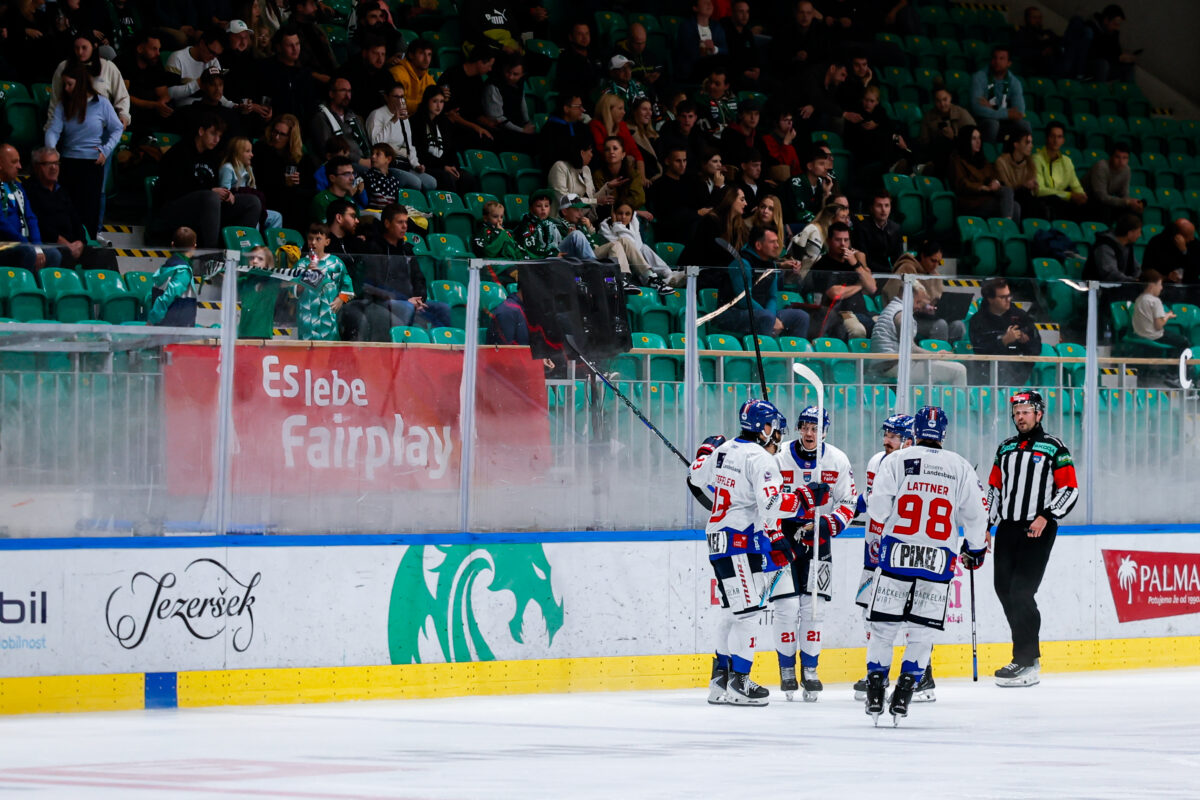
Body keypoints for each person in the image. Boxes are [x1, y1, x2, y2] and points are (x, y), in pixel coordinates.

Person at [688, 398, 829, 705]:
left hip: (718, 539)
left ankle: (719, 681)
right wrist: (805, 497)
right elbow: (771, 505)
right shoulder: (761, 460)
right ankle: (741, 682)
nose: (777, 434)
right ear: (764, 428)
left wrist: (703, 452)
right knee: (749, 614)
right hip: (739, 541)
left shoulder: (723, 450)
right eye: (775, 428)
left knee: (730, 611)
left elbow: (696, 476)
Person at [863, 406, 988, 724]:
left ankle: (876, 691)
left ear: (914, 431)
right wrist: (975, 549)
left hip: (896, 557)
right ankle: (904, 695)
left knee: (883, 630)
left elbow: (877, 511)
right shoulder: (960, 466)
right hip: (938, 561)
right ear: (943, 434)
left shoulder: (894, 461)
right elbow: (975, 515)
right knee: (921, 634)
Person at [987, 390, 1079, 687]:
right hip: (1007, 528)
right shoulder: (1005, 448)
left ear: (1039, 413)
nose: (1020, 417)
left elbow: (1069, 489)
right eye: (1016, 413)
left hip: (1037, 527)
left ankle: (1025, 659)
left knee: (1022, 592)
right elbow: (994, 491)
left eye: (1026, 411)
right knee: (1003, 590)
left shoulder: (1054, 447)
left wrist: (1047, 515)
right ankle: (1027, 655)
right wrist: (984, 528)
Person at [771, 406, 858, 701]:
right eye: (805, 427)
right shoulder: (777, 456)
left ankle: (810, 669)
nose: (809, 433)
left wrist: (828, 523)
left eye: (815, 428)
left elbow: (849, 501)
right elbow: (765, 498)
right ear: (798, 428)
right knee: (785, 607)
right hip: (781, 538)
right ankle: (786, 669)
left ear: (825, 431)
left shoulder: (837, 459)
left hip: (819, 539)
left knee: (813, 609)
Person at [851, 415, 923, 702]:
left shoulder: (919, 466)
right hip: (874, 550)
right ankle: (876, 673)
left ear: (909, 439)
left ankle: (921, 676)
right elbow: (870, 502)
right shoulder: (876, 461)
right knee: (870, 612)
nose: (886, 440)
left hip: (903, 553)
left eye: (894, 435)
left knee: (910, 616)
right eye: (886, 434)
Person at [157, 114, 261, 248]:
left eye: (219, 136)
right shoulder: (179, 152)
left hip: (208, 206)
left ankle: (238, 250)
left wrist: (226, 194)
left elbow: (215, 186)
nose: (216, 140)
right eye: (213, 134)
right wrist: (210, 191)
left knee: (252, 202)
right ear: (201, 131)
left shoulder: (212, 157)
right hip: (175, 206)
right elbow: (173, 188)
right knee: (210, 197)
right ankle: (211, 253)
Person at [43, 63, 123, 238]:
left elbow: (117, 128)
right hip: (68, 161)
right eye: (65, 84)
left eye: (70, 84)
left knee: (89, 211)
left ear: (80, 83)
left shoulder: (102, 103)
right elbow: (53, 130)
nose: (66, 88)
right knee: (67, 209)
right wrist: (52, 151)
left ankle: (88, 249)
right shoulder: (64, 105)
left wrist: (106, 150)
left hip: (92, 163)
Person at [359, 203, 451, 336]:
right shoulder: (374, 249)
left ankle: (444, 352)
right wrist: (405, 300)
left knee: (443, 309)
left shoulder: (407, 249)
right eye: (400, 222)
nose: (405, 226)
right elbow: (375, 284)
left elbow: (419, 278)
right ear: (387, 223)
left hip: (410, 301)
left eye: (406, 222)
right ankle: (403, 351)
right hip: (383, 302)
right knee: (407, 307)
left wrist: (419, 300)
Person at [717, 225, 810, 337]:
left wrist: (772, 316)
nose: (777, 246)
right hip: (732, 314)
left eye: (777, 241)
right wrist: (770, 318)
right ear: (758, 245)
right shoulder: (741, 264)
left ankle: (796, 354)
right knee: (766, 318)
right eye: (772, 242)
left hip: (762, 314)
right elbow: (743, 300)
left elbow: (772, 297)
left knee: (801, 317)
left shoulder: (771, 264)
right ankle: (765, 353)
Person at [870, 282, 968, 386]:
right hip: (893, 367)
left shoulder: (891, 309)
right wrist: (936, 355)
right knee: (959, 370)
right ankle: (960, 402)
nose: (919, 307)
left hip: (885, 365)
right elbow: (910, 349)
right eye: (918, 302)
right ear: (906, 296)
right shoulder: (902, 315)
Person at [881, 239, 965, 342]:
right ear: (922, 256)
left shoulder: (935, 276)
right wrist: (922, 306)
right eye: (933, 260)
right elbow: (895, 296)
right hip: (909, 318)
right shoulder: (907, 268)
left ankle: (951, 355)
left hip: (932, 317)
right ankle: (937, 357)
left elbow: (938, 298)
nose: (936, 266)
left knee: (958, 325)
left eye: (939, 262)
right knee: (940, 325)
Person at [0, 143, 63, 271]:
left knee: (53, 254)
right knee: (27, 251)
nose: (20, 166)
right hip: (3, 244)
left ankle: (42, 290)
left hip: (22, 243)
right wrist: (26, 243)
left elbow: (31, 218)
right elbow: (2, 223)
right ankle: (21, 288)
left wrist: (37, 246)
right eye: (14, 162)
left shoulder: (18, 188)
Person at [968, 277, 1042, 386]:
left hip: (1019, 370)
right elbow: (980, 350)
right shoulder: (978, 320)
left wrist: (1026, 341)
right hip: (988, 372)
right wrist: (1003, 341)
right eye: (1003, 297)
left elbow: (1036, 346)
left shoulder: (1020, 316)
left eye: (1009, 296)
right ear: (990, 299)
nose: (1008, 300)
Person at [810, 221, 877, 340]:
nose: (843, 244)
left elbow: (872, 288)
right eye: (838, 240)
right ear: (829, 241)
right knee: (858, 330)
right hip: (840, 314)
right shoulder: (822, 265)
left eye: (846, 240)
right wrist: (860, 285)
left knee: (887, 325)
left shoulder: (853, 262)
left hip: (863, 312)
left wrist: (856, 264)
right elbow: (835, 293)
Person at [366, 84, 438, 192]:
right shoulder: (377, 114)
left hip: (404, 163)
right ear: (386, 97)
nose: (400, 100)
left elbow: (409, 145)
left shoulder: (403, 118)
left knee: (431, 182)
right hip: (388, 164)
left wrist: (416, 164)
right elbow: (375, 142)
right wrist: (393, 120)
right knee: (415, 183)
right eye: (396, 97)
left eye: (402, 97)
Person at [599, 202, 675, 295]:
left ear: (631, 216)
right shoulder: (605, 226)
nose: (623, 217)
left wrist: (618, 226)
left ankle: (662, 276)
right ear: (613, 214)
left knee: (644, 248)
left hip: (634, 264)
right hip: (613, 264)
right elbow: (622, 244)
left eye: (627, 214)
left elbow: (635, 246)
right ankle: (650, 279)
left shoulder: (634, 224)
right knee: (624, 241)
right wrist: (617, 225)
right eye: (620, 213)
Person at [296, 222, 354, 341]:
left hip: (329, 318)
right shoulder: (301, 264)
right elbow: (293, 291)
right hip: (307, 318)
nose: (313, 242)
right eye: (310, 239)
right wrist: (306, 274)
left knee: (328, 354)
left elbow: (348, 287)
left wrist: (341, 299)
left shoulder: (336, 263)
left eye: (318, 239)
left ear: (327, 242)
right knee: (306, 355)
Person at [410, 87, 473, 193]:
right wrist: (443, 167)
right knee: (445, 177)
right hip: (424, 165)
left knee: (467, 177)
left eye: (442, 102)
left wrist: (453, 166)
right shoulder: (415, 122)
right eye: (435, 101)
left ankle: (465, 209)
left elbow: (451, 150)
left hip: (443, 166)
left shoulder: (444, 123)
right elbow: (419, 153)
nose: (439, 106)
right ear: (426, 101)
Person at [1131, 270, 1188, 386]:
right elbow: (1159, 325)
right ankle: (1174, 375)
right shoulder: (1155, 301)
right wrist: (1167, 316)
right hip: (1154, 335)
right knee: (1183, 342)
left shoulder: (1139, 299)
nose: (1161, 288)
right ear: (1152, 285)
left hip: (1140, 334)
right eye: (1160, 284)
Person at [949, 126, 1017, 221]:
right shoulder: (957, 160)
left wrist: (995, 182)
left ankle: (1009, 231)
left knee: (1011, 197)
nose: (978, 142)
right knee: (1012, 208)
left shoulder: (981, 159)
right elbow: (961, 183)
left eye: (979, 138)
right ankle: (1007, 230)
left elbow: (993, 174)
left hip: (986, 196)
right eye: (974, 138)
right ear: (966, 140)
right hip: (971, 201)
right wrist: (981, 187)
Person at [969, 45, 1029, 143]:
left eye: (1002, 58)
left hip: (1005, 122)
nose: (997, 61)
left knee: (1024, 125)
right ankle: (988, 153)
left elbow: (1019, 112)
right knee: (993, 124)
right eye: (995, 58)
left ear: (1009, 63)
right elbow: (977, 108)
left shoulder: (1015, 82)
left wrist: (992, 108)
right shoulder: (978, 77)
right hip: (982, 120)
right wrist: (1006, 113)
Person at [310, 77, 372, 165]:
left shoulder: (353, 116)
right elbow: (328, 149)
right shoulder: (321, 117)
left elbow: (366, 143)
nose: (347, 96)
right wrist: (360, 160)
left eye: (349, 91)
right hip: (343, 165)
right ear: (331, 94)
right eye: (343, 91)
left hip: (366, 161)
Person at [1034, 122, 1088, 221]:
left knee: (1090, 204)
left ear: (1063, 140)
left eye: (1059, 137)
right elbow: (1040, 190)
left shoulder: (1067, 161)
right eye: (1052, 136)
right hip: (1044, 200)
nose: (1056, 141)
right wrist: (1069, 195)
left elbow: (1075, 185)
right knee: (1055, 200)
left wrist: (1081, 195)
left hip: (1062, 199)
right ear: (1047, 138)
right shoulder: (1036, 159)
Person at [918, 87, 975, 178]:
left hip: (961, 152)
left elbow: (973, 137)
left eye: (945, 99)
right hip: (936, 152)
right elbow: (924, 142)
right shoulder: (928, 117)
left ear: (950, 98)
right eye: (938, 101)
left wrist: (954, 137)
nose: (942, 104)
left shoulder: (962, 113)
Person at [147, 227, 198, 326]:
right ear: (193, 246)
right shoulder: (183, 271)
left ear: (172, 245)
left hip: (165, 324)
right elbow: (167, 297)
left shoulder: (166, 267)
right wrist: (151, 321)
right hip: (176, 327)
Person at [1084, 143, 1144, 224]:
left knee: (1134, 210)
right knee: (1105, 209)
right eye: (1117, 157)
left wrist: (1131, 203)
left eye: (1125, 158)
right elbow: (1101, 197)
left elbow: (1124, 194)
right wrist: (1126, 202)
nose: (1121, 161)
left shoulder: (1127, 170)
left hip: (1106, 201)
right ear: (1111, 157)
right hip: (1088, 200)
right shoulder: (1101, 167)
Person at [589, 94, 645, 178]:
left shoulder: (622, 125)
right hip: (604, 171)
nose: (624, 112)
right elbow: (603, 152)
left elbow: (635, 151)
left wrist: (642, 177)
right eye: (620, 108)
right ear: (608, 110)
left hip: (624, 169)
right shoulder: (595, 125)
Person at [994, 131, 1045, 221]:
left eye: (1031, 142)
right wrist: (1023, 185)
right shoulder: (1002, 161)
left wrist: (1034, 185)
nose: (1031, 145)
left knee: (1039, 204)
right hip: (1011, 197)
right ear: (1016, 145)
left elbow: (1035, 190)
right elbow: (1007, 187)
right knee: (1025, 199)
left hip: (1026, 196)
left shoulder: (1030, 163)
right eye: (1027, 142)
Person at [592, 137, 645, 220]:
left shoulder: (633, 174)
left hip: (630, 212)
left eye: (615, 148)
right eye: (607, 150)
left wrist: (628, 210)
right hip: (608, 216)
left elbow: (639, 199)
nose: (611, 152)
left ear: (623, 154)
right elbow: (606, 203)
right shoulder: (598, 175)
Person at [676, 0, 727, 82]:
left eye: (710, 2)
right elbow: (688, 51)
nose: (709, 4)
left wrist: (714, 49)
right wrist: (702, 46)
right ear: (695, 8)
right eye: (705, 2)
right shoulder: (686, 26)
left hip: (714, 67)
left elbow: (725, 50)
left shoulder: (717, 26)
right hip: (693, 68)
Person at [852, 191, 902, 275]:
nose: (883, 210)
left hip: (891, 273)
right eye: (879, 206)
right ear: (871, 208)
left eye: (887, 205)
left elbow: (898, 257)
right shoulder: (861, 228)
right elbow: (866, 260)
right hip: (870, 272)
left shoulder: (896, 228)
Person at [310, 155, 363, 224]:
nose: (352, 178)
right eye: (347, 174)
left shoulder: (350, 201)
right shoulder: (321, 201)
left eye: (353, 173)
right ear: (332, 178)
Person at [389, 38, 436, 113]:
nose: (426, 59)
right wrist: (426, 105)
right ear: (411, 55)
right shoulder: (398, 73)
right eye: (422, 53)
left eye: (429, 54)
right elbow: (398, 103)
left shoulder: (429, 80)